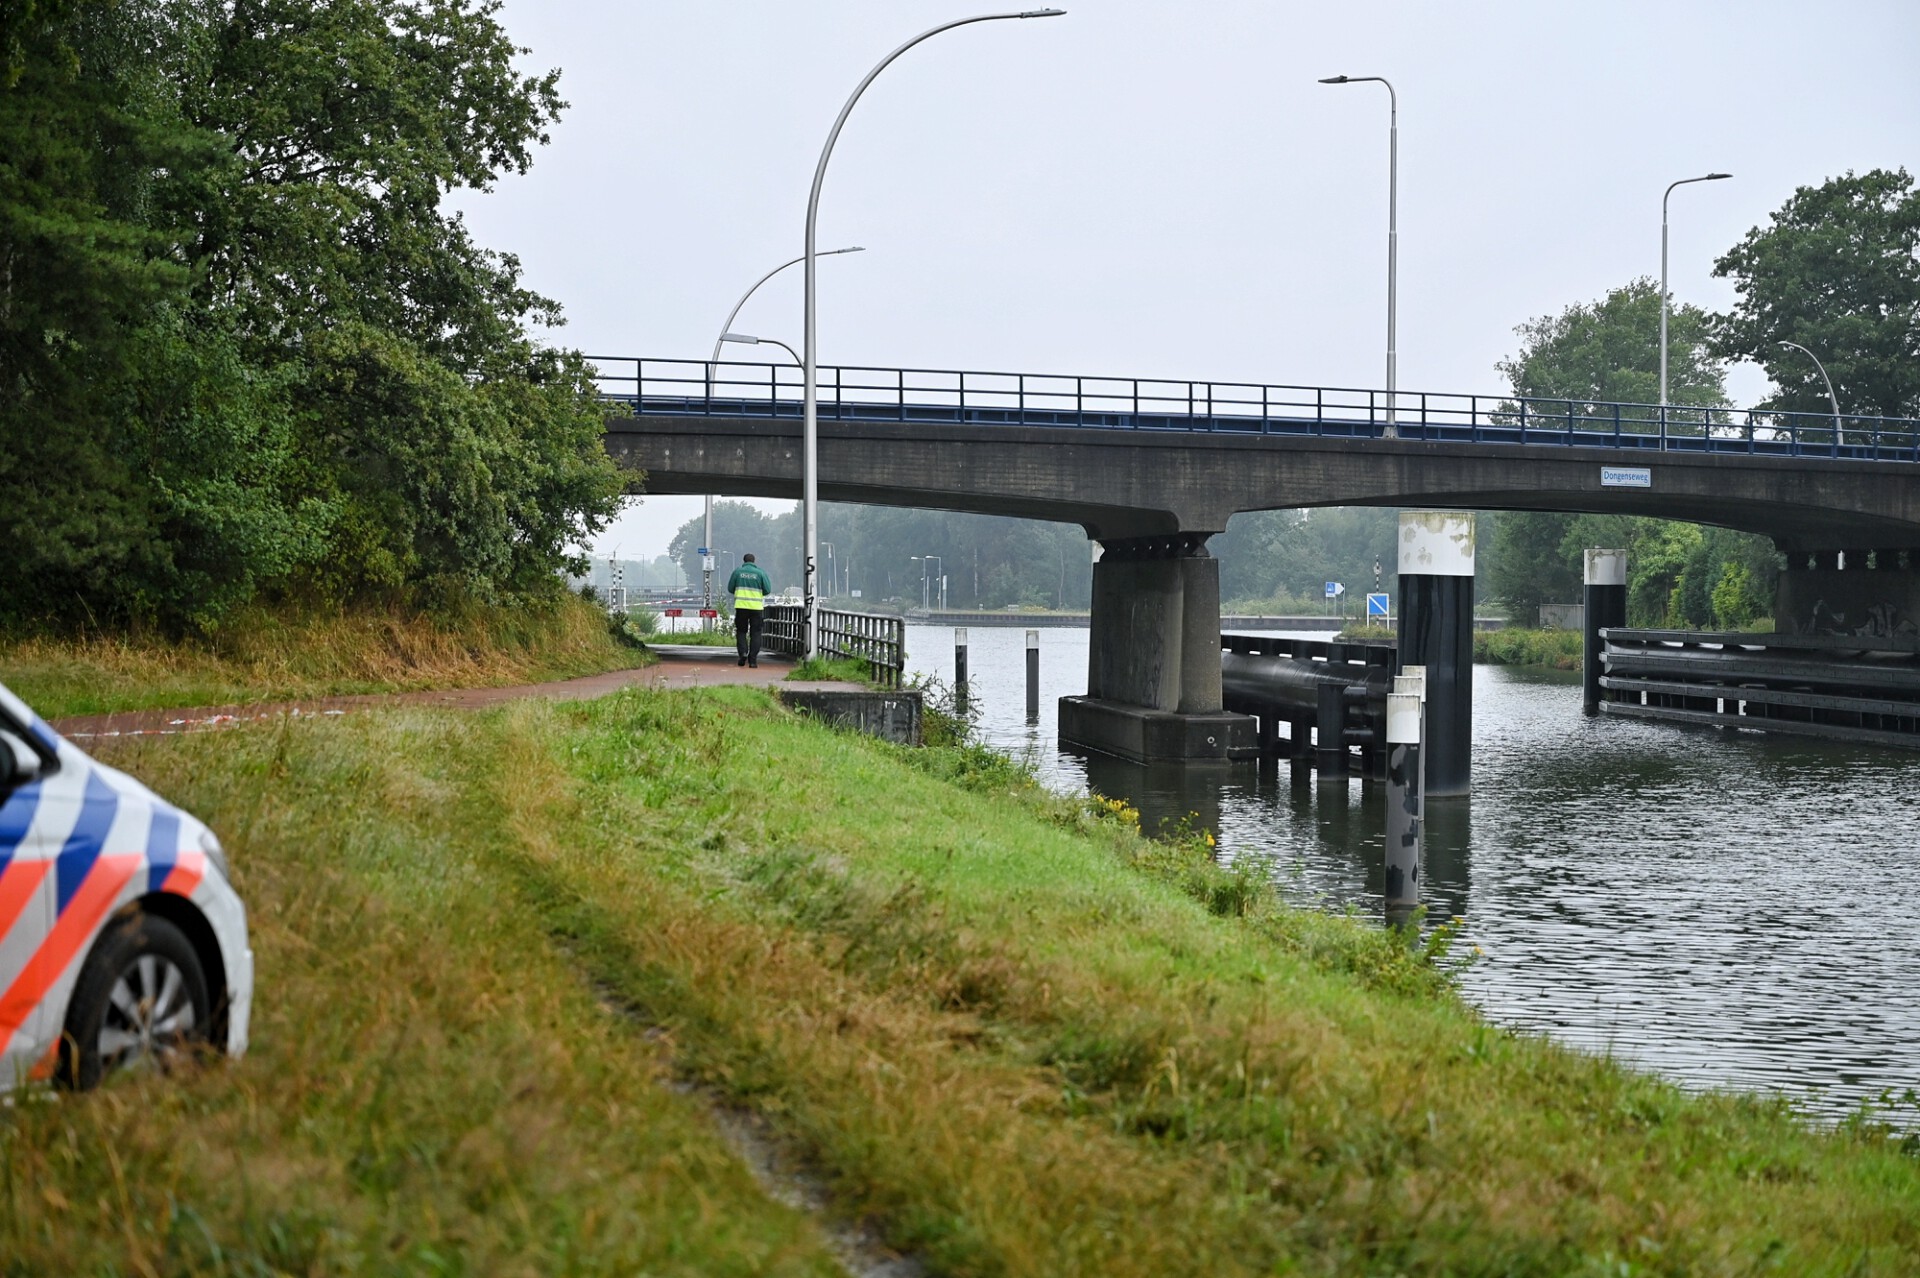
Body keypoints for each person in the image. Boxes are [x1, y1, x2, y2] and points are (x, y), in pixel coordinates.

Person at [727, 553, 772, 667]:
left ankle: (743, 653)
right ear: (754, 561)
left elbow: (730, 588)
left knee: (741, 631)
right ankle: (753, 661)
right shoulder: (760, 573)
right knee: (756, 633)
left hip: (741, 606)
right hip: (756, 608)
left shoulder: (737, 572)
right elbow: (767, 590)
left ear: (744, 561)